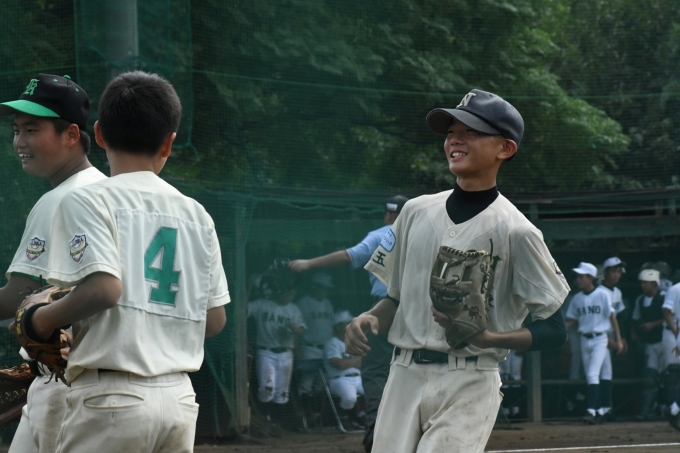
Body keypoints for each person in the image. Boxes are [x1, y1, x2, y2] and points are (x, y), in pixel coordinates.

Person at [346, 89, 570, 452]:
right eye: (451, 131)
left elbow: (555, 330)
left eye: (471, 131)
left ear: (505, 148)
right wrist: (369, 318)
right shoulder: (415, 212)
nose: (455, 139)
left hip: (469, 378)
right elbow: (395, 299)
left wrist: (489, 338)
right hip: (403, 374)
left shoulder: (517, 232)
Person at [25, 71, 229, 452]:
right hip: (179, 400)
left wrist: (41, 320)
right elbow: (214, 319)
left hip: (111, 399)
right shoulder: (197, 214)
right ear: (168, 143)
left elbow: (105, 289)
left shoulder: (87, 199)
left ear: (99, 134)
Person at [0, 73, 106, 453]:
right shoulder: (110, 190)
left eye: (32, 130)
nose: (20, 142)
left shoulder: (61, 199)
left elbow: (19, 295)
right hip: (106, 378)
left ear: (72, 135)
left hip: (66, 385)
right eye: (17, 130)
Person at [289, 194, 408, 452]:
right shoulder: (425, 235)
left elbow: (348, 256)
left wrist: (308, 263)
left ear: (389, 215)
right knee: (411, 367)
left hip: (386, 308)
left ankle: (377, 434)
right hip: (418, 311)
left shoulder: (383, 234)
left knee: (376, 370)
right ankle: (413, 431)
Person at [248, 259, 306, 429]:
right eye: (288, 293)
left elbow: (302, 330)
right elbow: (243, 310)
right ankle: (265, 419)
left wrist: (294, 328)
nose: (290, 296)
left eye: (292, 293)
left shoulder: (293, 309)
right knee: (267, 387)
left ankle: (277, 423)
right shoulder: (262, 304)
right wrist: (249, 287)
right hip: (265, 351)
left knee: (282, 391)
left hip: (286, 352)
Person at [565, 262, 624, 424]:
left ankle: (592, 410)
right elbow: (574, 319)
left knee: (592, 374)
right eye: (578, 276)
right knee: (603, 373)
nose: (578, 279)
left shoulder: (602, 294)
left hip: (600, 338)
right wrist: (561, 327)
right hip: (584, 338)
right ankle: (603, 409)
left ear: (591, 278)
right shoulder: (577, 298)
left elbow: (612, 318)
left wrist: (619, 339)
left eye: (581, 276)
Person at [294, 272, 335, 413]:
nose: (326, 291)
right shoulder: (303, 303)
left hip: (327, 348)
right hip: (309, 347)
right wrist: (297, 348)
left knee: (322, 384)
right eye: (323, 288)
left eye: (327, 288)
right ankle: (305, 415)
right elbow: (297, 328)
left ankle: (317, 415)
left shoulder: (328, 304)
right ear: (315, 286)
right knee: (307, 382)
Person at [630, 269, 665, 421]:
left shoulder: (664, 298)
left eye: (646, 283)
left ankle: (667, 410)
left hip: (664, 341)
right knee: (649, 378)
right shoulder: (640, 300)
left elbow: (671, 318)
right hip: (649, 342)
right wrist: (634, 332)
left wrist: (653, 324)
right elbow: (635, 318)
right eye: (642, 283)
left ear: (654, 284)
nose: (643, 285)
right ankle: (646, 412)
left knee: (668, 378)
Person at [598, 256, 628, 418]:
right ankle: (598, 408)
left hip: (611, 335)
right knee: (597, 373)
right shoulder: (599, 292)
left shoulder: (618, 292)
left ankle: (604, 408)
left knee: (606, 372)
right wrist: (609, 340)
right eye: (613, 271)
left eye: (619, 271)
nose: (616, 275)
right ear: (605, 273)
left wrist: (621, 338)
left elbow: (620, 318)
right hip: (599, 335)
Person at [324, 310, 364, 427]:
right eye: (347, 323)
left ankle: (361, 416)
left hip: (358, 377)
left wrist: (348, 362)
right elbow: (339, 365)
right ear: (338, 326)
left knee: (376, 392)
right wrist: (355, 360)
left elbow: (363, 363)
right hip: (339, 378)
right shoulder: (332, 343)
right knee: (350, 397)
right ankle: (347, 419)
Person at [662, 276, 680, 430]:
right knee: (673, 373)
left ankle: (674, 410)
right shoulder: (676, 289)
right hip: (675, 332)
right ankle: (673, 410)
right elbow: (667, 311)